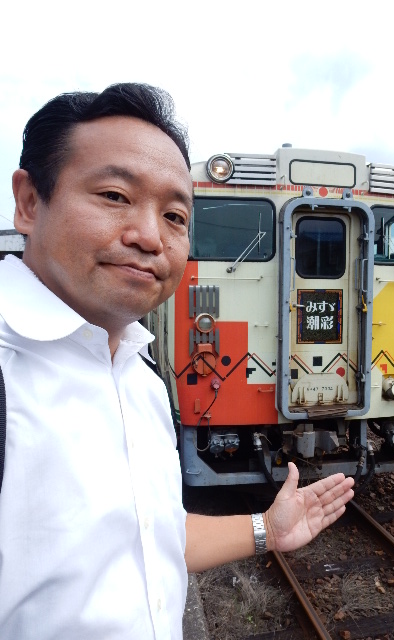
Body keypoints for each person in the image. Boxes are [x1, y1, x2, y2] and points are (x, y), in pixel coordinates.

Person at [0, 83, 354, 640]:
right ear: (28, 202)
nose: (150, 237)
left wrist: (268, 528)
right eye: (115, 195)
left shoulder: (139, 375)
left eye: (174, 216)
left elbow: (151, 535)